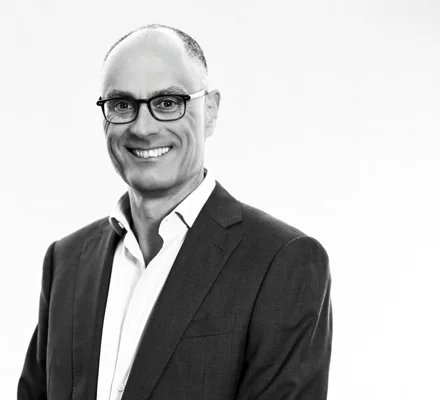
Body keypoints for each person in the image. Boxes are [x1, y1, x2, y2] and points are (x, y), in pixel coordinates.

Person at [18, 23, 332, 400]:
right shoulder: (66, 262)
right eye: (122, 105)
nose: (143, 127)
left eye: (168, 103)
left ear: (210, 110)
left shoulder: (282, 261)